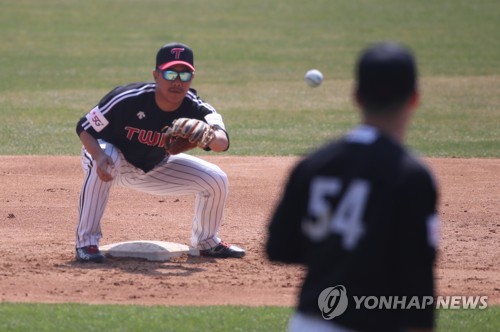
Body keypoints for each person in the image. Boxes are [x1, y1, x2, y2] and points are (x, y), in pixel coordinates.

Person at [266, 42, 439, 331]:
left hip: (308, 322)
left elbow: (279, 248)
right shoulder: (412, 176)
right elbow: (417, 273)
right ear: (414, 98)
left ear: (356, 96)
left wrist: (333, 248)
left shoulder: (314, 164)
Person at [75, 42, 245, 263]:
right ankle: (86, 242)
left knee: (216, 179)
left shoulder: (197, 107)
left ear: (192, 78)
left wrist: (209, 136)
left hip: (154, 167)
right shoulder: (127, 98)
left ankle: (206, 242)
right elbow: (84, 127)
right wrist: (98, 156)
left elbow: (222, 143)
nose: (177, 81)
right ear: (156, 75)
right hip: (110, 162)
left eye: (184, 75)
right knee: (111, 156)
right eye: (171, 73)